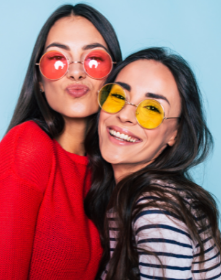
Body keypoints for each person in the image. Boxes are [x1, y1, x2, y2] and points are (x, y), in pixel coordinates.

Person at [0, 4, 122, 279]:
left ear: (114, 76)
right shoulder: (28, 147)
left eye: (93, 60)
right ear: (39, 80)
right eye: (57, 59)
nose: (76, 73)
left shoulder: (109, 168)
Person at [85, 47, 221, 279]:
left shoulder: (156, 211)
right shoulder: (124, 198)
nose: (126, 116)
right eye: (118, 96)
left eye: (151, 109)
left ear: (174, 134)